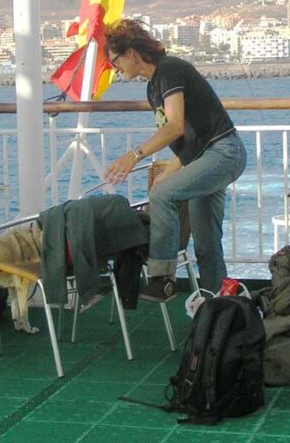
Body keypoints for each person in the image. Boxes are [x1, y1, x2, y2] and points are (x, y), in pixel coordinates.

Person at [103, 18, 247, 301]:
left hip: (224, 152)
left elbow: (175, 126)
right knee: (206, 243)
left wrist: (133, 156)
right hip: (204, 156)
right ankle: (216, 306)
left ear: (131, 53)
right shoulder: (153, 86)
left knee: (162, 195)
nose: (114, 67)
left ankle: (163, 277)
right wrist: (170, 169)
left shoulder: (169, 70)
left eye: (115, 60)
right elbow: (186, 140)